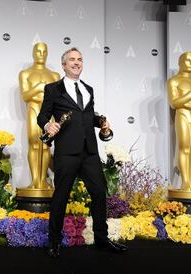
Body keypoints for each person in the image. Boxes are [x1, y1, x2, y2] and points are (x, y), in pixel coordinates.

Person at [37, 47, 127, 258]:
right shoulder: (53, 89)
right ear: (64, 64)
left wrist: (101, 123)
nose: (76, 62)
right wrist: (47, 126)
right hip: (67, 152)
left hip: (90, 151)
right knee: (61, 196)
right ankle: (54, 242)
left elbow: (86, 117)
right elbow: (42, 116)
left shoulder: (88, 89)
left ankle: (102, 240)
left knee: (98, 193)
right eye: (72, 60)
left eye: (79, 59)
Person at [19, 42, 60, 191]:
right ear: (33, 53)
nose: (41, 55)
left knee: (46, 145)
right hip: (34, 108)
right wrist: (38, 88)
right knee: (34, 143)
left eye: (44, 52)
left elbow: (58, 99)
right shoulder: (25, 73)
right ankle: (34, 181)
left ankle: (43, 180)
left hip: (49, 113)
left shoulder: (54, 75)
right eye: (38, 51)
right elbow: (25, 96)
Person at [168, 52, 191, 192]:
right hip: (183, 115)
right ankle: (185, 182)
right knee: (184, 147)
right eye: (188, 60)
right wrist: (190, 96)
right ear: (181, 62)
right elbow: (174, 103)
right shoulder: (174, 81)